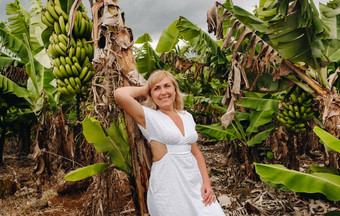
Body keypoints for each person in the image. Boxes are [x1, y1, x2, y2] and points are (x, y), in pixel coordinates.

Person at [114, 70, 225, 216]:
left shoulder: (187, 116)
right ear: (151, 94)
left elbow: (196, 153)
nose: (163, 92)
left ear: (175, 89)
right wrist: (144, 89)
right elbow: (119, 94)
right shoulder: (149, 117)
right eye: (156, 88)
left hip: (194, 185)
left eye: (167, 86)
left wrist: (206, 183)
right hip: (169, 190)